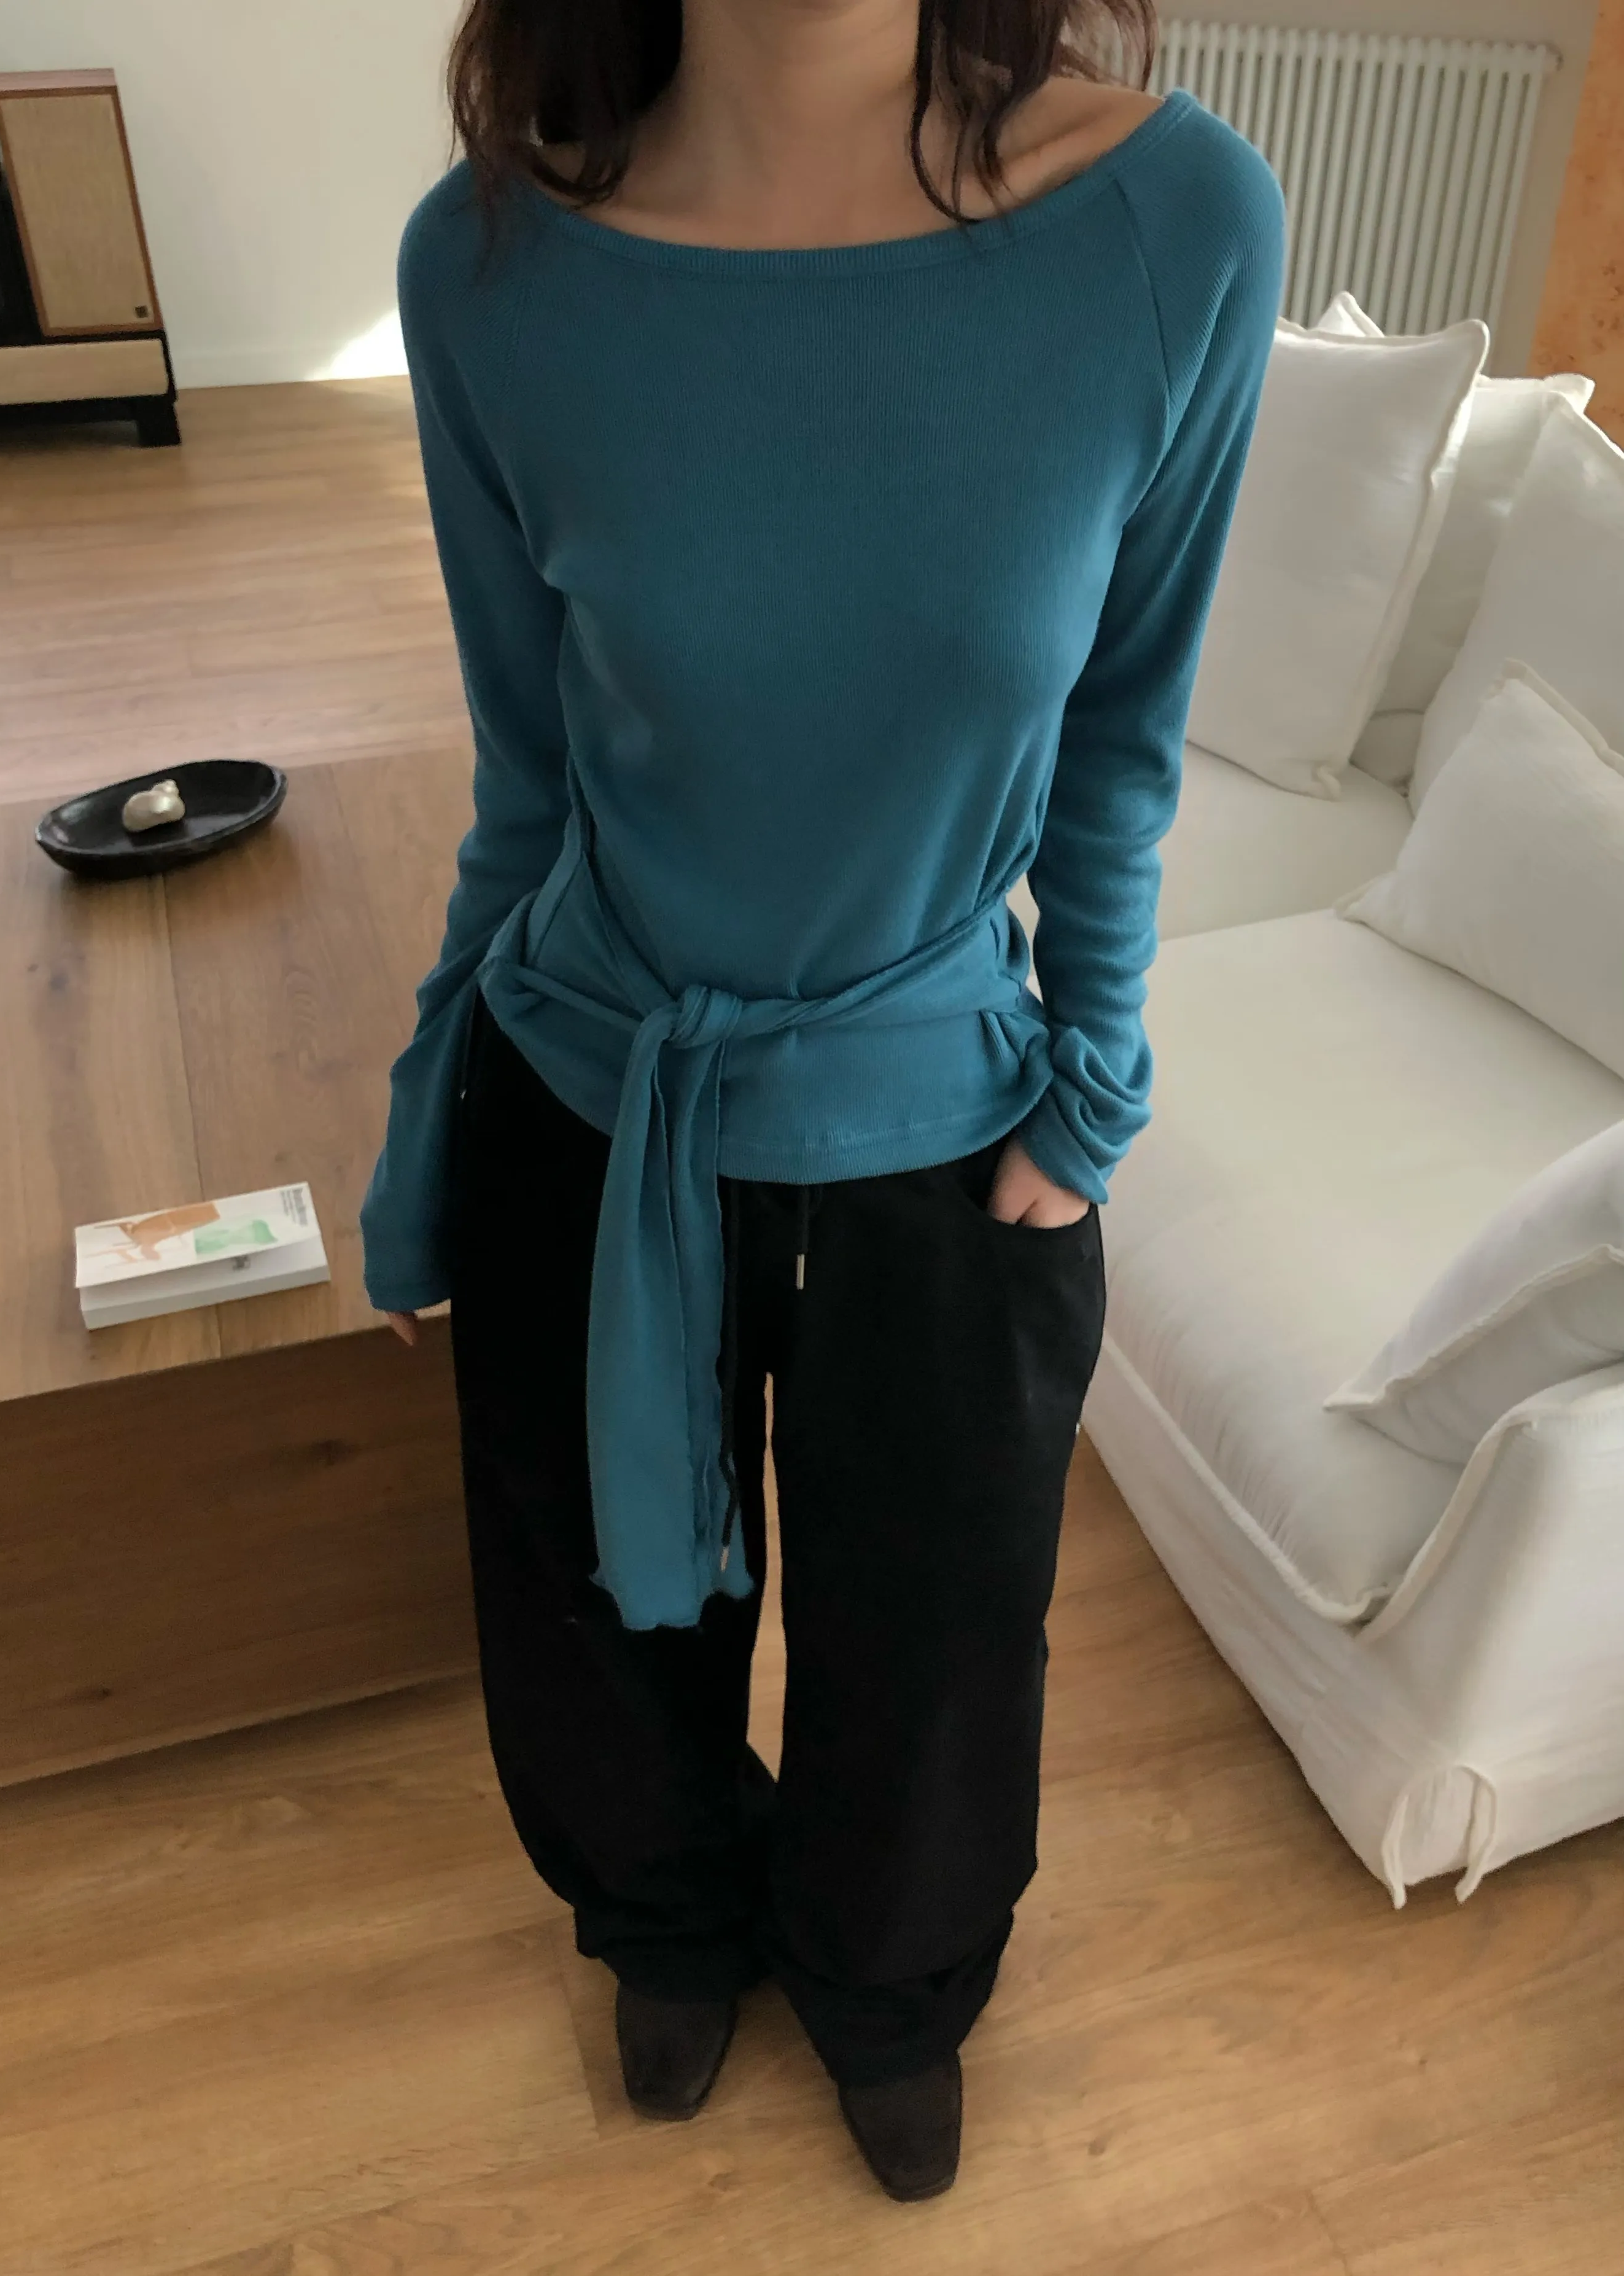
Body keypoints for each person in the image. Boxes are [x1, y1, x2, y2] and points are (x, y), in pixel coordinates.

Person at [362, 0, 1284, 2204]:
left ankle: (889, 1985)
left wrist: (1093, 1080)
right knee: (593, 1619)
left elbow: (1124, 730)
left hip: (948, 1128)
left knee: (938, 1649)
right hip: (591, 1095)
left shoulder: (1170, 224)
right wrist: (424, 1112)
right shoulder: (487, 264)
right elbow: (526, 774)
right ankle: (666, 1923)